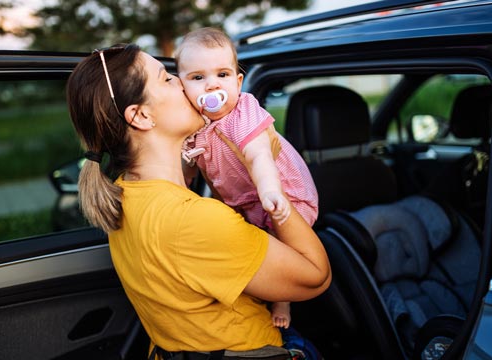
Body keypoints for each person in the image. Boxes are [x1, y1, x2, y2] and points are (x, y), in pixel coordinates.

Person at [65, 43, 331, 359]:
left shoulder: (125, 193)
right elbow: (317, 277)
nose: (185, 82)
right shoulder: (194, 220)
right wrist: (270, 181)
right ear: (141, 115)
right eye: (167, 79)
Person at [174, 27, 319, 329]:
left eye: (222, 75)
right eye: (198, 78)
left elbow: (258, 155)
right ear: (181, 86)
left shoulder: (243, 112)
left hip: (285, 193)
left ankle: (283, 299)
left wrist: (270, 190)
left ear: (238, 82)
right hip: (245, 201)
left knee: (285, 244)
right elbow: (189, 172)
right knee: (258, 248)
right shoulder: (193, 126)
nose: (212, 86)